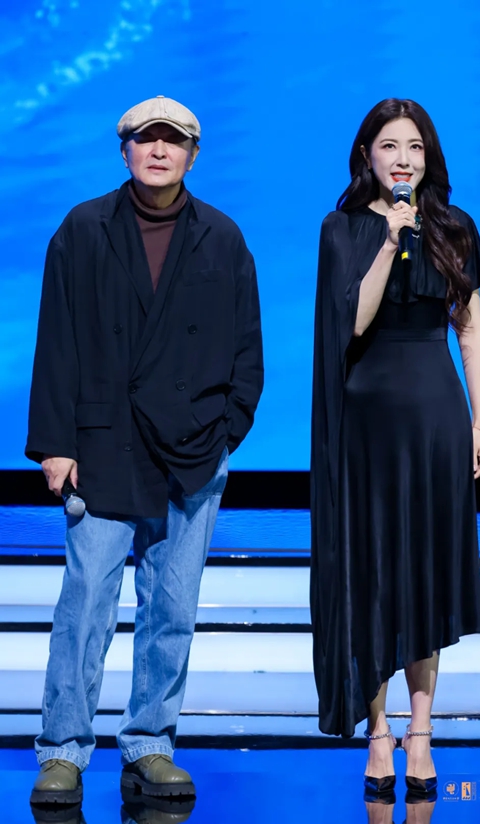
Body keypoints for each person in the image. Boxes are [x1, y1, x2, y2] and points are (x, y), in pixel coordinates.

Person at [26, 95, 263, 805]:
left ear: (193, 154)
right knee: (85, 606)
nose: (159, 150)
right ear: (124, 149)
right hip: (103, 446)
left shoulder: (222, 237)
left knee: (172, 609)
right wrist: (54, 445)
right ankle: (63, 750)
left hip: (191, 452)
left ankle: (150, 743)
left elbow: (247, 349)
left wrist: (224, 434)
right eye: (146, 138)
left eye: (173, 140)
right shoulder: (83, 228)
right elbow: (56, 340)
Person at [310, 99, 480, 794]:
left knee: (427, 572)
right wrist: (389, 242)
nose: (403, 159)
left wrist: (479, 423)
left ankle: (421, 730)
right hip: (366, 425)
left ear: (428, 156)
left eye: (414, 146)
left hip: (436, 417)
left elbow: (469, 328)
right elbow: (352, 324)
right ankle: (378, 731)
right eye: (390, 146)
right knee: (375, 573)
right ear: (368, 156)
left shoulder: (455, 227)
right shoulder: (343, 229)